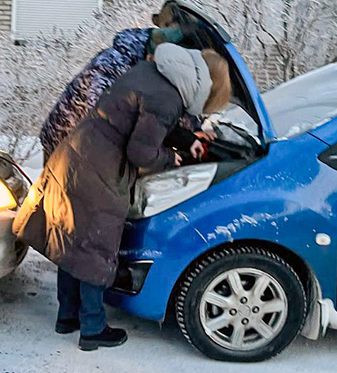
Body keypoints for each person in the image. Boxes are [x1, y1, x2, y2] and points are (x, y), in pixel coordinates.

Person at [13, 43, 231, 351]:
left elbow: (144, 123)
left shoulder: (152, 72)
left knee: (73, 240)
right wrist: (171, 158)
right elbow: (141, 151)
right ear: (206, 88)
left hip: (76, 156)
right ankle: (92, 328)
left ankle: (68, 316)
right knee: (94, 248)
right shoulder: (168, 98)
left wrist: (186, 139)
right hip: (100, 169)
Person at [39, 1, 205, 162]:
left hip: (89, 149)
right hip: (65, 145)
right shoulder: (114, 66)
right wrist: (163, 152)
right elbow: (118, 118)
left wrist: (194, 130)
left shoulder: (150, 61)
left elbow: (168, 101)